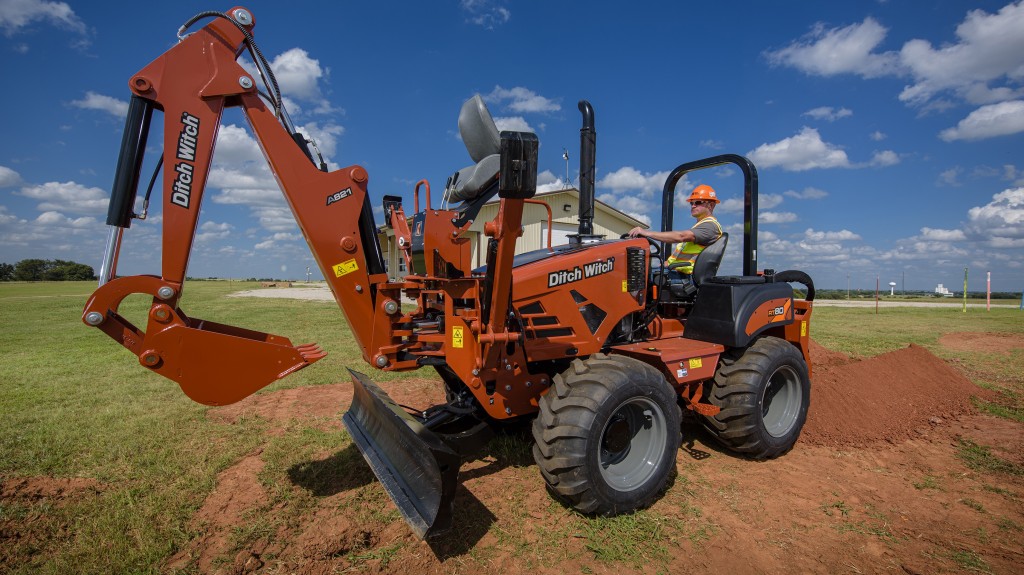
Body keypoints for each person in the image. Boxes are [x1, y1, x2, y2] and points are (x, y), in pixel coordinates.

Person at [628, 184, 723, 275]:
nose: (693, 206)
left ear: (711, 205)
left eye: (698, 202)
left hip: (686, 277)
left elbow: (681, 236)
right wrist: (668, 263)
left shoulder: (710, 226)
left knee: (636, 277)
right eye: (692, 203)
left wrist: (646, 233)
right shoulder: (701, 226)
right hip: (678, 271)